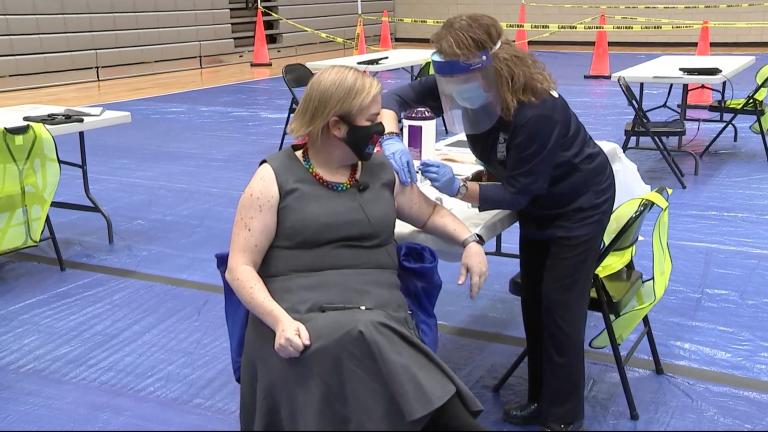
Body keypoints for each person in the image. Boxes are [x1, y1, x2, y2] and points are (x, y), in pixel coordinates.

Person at [379, 14, 616, 432]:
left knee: (560, 307)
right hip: (537, 200)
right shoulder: (461, 82)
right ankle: (539, 397)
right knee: (534, 301)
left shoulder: (536, 107)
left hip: (578, 203)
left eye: (455, 80)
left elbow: (519, 193)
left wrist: (459, 190)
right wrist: (390, 134)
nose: (448, 93)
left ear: (484, 66)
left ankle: (562, 418)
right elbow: (395, 99)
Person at [226, 65, 489, 431]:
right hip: (297, 320)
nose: (381, 131)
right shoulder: (272, 178)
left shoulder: (379, 171)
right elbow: (240, 268)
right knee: (367, 333)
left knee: (371, 330)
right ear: (337, 126)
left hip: (377, 311)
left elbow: (427, 214)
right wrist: (280, 322)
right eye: (371, 120)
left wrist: (470, 240)